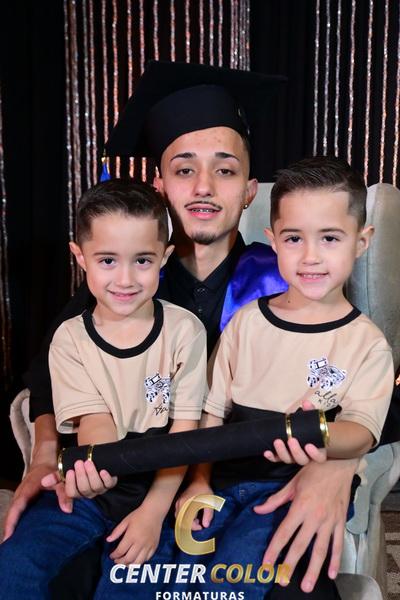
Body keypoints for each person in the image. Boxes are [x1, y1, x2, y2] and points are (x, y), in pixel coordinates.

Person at [3, 61, 396, 596]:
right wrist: (44, 452)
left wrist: (336, 466)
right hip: (138, 484)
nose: (204, 187)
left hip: (249, 484)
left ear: (250, 190)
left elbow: (366, 384)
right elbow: (47, 373)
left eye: (225, 171)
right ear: (160, 186)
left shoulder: (288, 278)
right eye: (184, 170)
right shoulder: (129, 281)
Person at [164, 156, 393, 599]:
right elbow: (213, 414)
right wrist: (198, 479)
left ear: (361, 241)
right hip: (224, 483)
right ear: (273, 241)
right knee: (170, 574)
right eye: (294, 238)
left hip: (288, 489)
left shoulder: (366, 345)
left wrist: (316, 434)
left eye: (330, 238)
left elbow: (361, 431)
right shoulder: (246, 323)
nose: (311, 256)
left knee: (232, 578)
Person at [0, 179, 207, 597]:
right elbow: (94, 420)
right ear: (80, 257)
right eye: (108, 260)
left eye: (142, 260)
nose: (125, 279)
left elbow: (185, 432)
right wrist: (96, 470)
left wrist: (153, 513)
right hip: (88, 485)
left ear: (165, 257)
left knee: (130, 587)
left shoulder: (186, 331)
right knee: (15, 567)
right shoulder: (69, 339)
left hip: (160, 490)